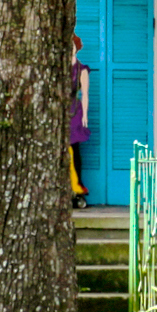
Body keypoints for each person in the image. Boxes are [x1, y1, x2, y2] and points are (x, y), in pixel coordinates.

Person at [69, 35, 91, 207]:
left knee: (74, 148)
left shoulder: (82, 70)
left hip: (74, 111)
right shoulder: (58, 68)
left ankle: (76, 186)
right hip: (60, 111)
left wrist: (85, 115)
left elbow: (85, 94)